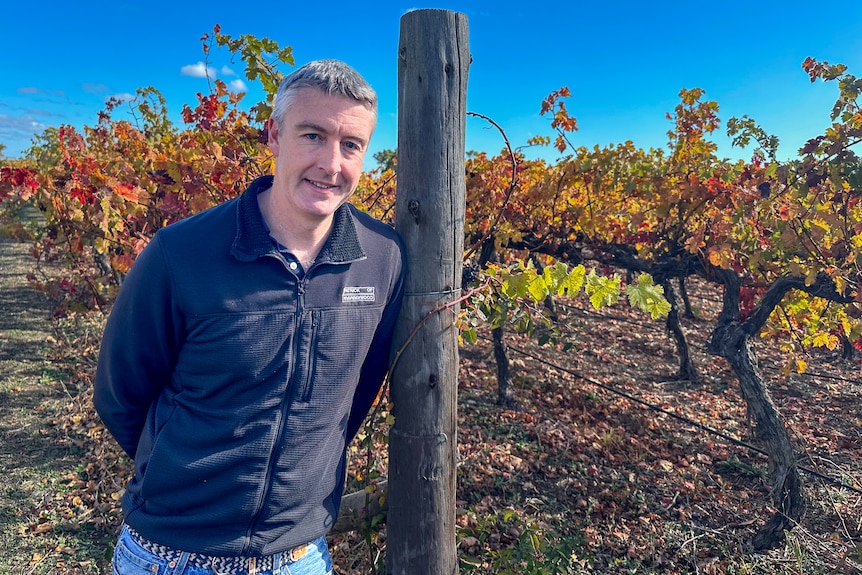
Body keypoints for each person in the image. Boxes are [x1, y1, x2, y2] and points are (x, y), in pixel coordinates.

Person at [94, 59, 406, 575]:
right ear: (274, 136)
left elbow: (357, 394)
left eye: (351, 144)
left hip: (299, 557)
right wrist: (180, 475)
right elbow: (119, 394)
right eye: (313, 135)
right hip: (171, 555)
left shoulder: (382, 258)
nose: (331, 164)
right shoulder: (182, 253)